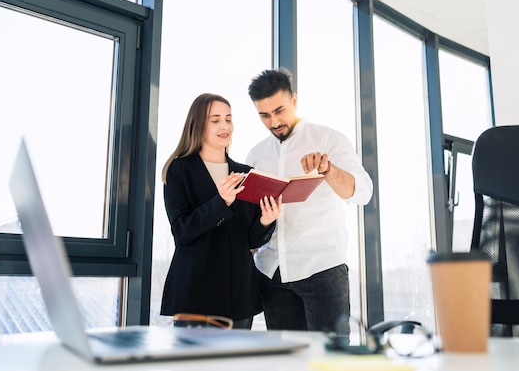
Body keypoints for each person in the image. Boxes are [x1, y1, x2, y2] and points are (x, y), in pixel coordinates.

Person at [245, 68, 373, 333]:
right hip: (272, 274)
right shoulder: (256, 156)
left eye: (280, 110)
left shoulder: (329, 139)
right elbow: (249, 223)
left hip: (322, 270)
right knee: (288, 362)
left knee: (330, 359)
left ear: (294, 100)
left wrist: (329, 170)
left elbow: (362, 192)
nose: (274, 122)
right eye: (264, 115)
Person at [160, 93, 281, 329]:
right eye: (215, 120)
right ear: (198, 125)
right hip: (196, 291)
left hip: (238, 292)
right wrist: (221, 202)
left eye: (228, 119)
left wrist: (266, 221)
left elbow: (250, 240)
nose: (224, 126)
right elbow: (182, 232)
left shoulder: (246, 173)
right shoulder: (179, 169)